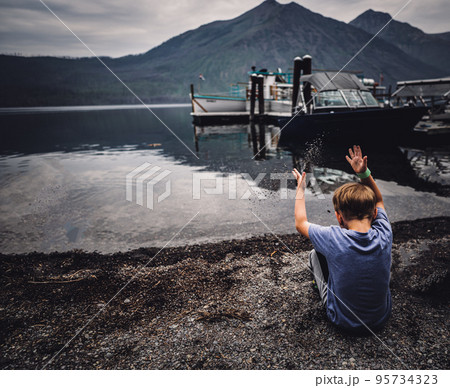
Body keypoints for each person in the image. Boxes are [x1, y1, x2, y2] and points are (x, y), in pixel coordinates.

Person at [292, 145, 392, 334]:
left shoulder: (332, 237)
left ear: (339, 217)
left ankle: (320, 286)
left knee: (315, 255)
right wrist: (364, 173)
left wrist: (300, 189)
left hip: (342, 320)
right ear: (375, 213)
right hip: (381, 318)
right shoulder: (384, 232)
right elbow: (378, 200)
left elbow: (300, 223)